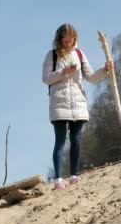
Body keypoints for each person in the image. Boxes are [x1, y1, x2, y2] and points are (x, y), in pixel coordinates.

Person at [42, 23, 113, 190]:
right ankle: (58, 179)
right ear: (60, 39)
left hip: (78, 103)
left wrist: (105, 70)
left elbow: (90, 76)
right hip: (59, 103)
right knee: (60, 141)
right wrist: (62, 72)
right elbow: (46, 78)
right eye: (65, 40)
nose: (68, 43)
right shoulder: (51, 56)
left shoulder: (80, 54)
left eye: (71, 40)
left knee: (77, 140)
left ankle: (74, 175)